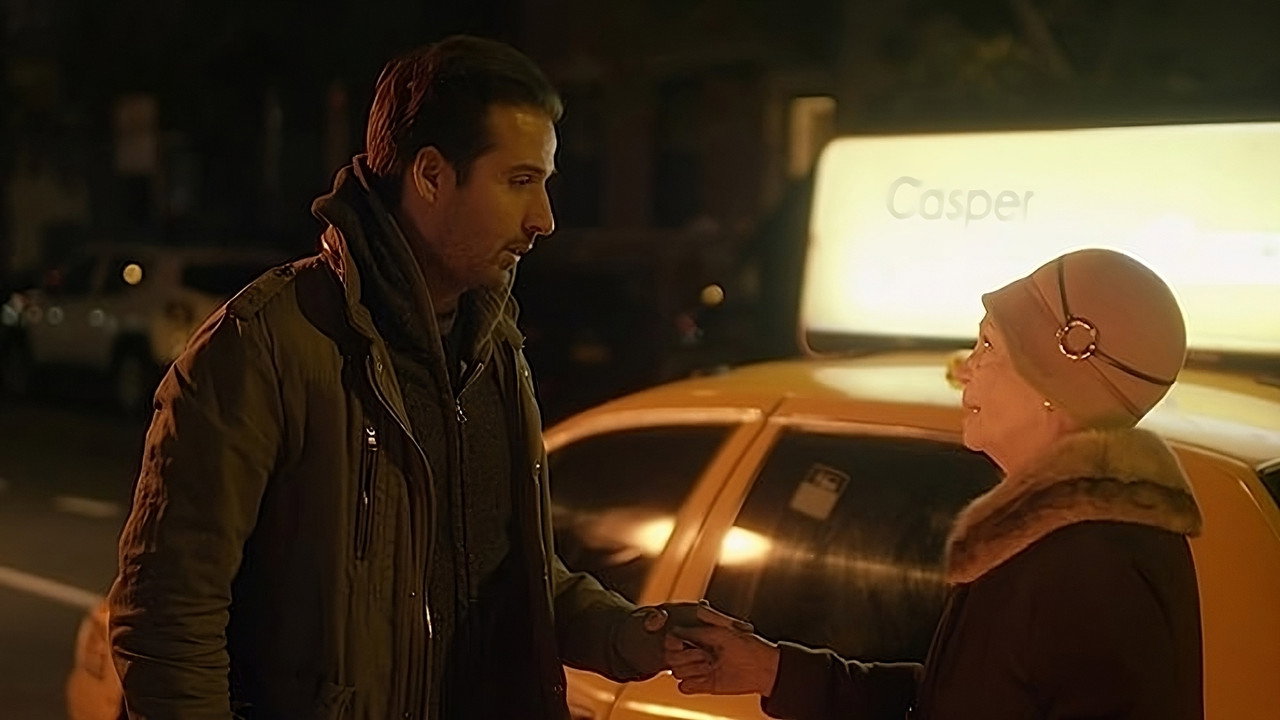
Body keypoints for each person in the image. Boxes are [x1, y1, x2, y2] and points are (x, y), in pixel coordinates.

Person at [107, 36, 719, 720]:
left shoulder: (494, 351)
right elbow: (168, 622)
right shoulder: (266, 348)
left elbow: (502, 580)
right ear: (430, 175)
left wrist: (630, 635)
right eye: (519, 181)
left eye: (544, 183)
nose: (544, 219)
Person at [664, 248, 1204, 719]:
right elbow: (956, 703)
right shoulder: (1064, 539)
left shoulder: (1088, 563)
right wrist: (773, 671)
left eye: (988, 345)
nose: (965, 369)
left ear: (1051, 386)